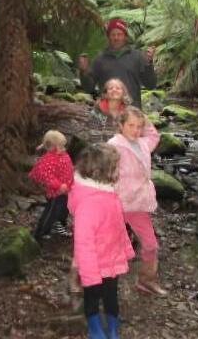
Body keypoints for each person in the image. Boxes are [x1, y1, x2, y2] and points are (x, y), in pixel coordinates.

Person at [69, 144, 134, 339]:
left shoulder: (108, 193)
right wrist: (89, 275)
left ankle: (113, 325)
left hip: (112, 257)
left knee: (111, 295)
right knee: (92, 296)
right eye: (116, 167)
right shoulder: (89, 205)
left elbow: (119, 225)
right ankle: (94, 328)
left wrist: (126, 249)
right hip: (94, 264)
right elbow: (84, 245)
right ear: (102, 171)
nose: (119, 171)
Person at [108, 106, 167, 296]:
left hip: (137, 204)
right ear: (121, 125)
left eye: (138, 126)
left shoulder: (143, 143)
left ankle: (146, 280)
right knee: (104, 243)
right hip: (116, 203)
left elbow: (154, 136)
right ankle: (88, 280)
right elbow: (103, 172)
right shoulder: (113, 146)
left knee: (151, 244)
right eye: (131, 125)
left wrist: (144, 119)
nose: (135, 130)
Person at [79, 18, 156, 108]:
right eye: (113, 35)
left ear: (125, 37)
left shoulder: (137, 56)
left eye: (119, 34)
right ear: (108, 37)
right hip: (107, 112)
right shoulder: (99, 59)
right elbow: (88, 88)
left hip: (131, 111)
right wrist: (84, 71)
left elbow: (151, 85)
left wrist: (148, 64)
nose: (116, 38)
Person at [29, 130, 74, 241]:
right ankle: (41, 232)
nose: (64, 149)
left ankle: (60, 226)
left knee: (64, 209)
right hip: (56, 193)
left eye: (64, 146)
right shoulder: (49, 160)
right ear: (53, 147)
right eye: (61, 146)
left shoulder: (61, 154)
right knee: (51, 212)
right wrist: (59, 186)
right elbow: (47, 176)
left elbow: (67, 168)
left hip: (66, 190)